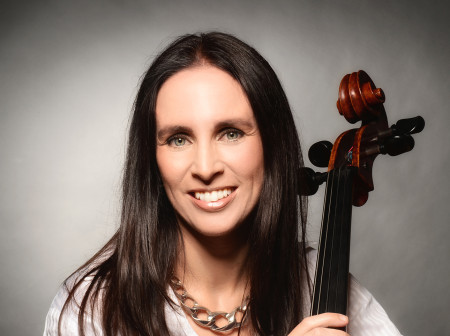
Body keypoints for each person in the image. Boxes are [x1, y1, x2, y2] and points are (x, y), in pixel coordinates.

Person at [44, 32, 402, 336]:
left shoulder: (317, 284)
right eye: (178, 139)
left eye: (230, 133)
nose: (205, 168)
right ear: (152, 159)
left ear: (271, 146)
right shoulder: (93, 307)